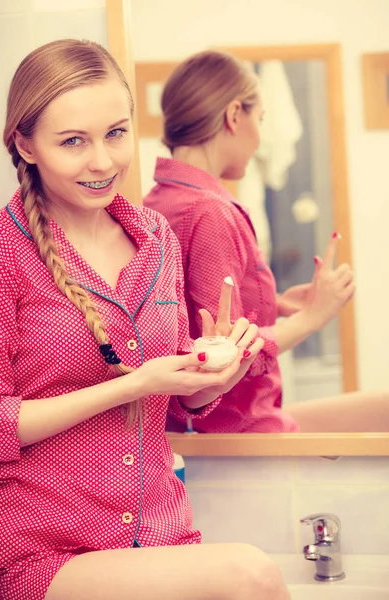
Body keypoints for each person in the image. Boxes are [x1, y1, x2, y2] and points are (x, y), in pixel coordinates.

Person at [0, 40, 290, 600]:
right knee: (252, 577)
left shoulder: (156, 240)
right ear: (25, 144)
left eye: (116, 133)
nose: (102, 161)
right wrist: (136, 382)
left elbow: (176, 402)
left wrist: (213, 373)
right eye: (73, 141)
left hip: (161, 534)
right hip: (41, 553)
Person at [144, 49, 389, 434]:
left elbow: (192, 310)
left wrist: (278, 304)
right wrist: (312, 318)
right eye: (259, 120)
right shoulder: (210, 211)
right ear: (234, 115)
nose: (259, 139)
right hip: (238, 430)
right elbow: (224, 353)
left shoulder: (159, 202)